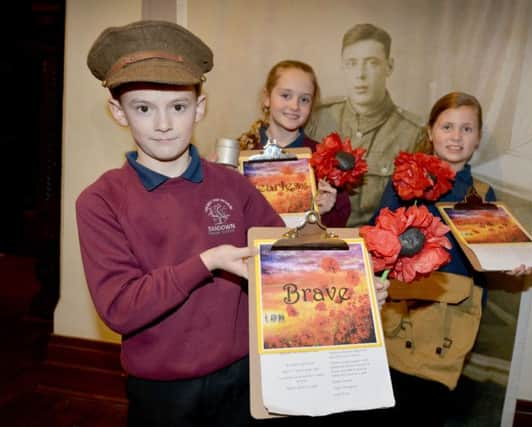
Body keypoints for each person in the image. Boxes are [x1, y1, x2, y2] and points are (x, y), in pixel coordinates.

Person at [77, 20, 285, 426]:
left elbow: (282, 257)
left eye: (178, 106)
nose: (163, 124)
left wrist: (352, 287)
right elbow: (119, 308)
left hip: (240, 378)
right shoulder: (100, 201)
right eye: (143, 108)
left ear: (200, 107)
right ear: (118, 112)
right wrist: (205, 262)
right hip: (161, 390)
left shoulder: (233, 185)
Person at [370, 91, 532, 424]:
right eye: (447, 126)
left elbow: (495, 256)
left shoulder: (482, 197)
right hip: (399, 316)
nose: (456, 136)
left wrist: (513, 265)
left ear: (478, 139)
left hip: (449, 325)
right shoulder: (404, 183)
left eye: (466, 129)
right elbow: (376, 238)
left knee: (428, 410)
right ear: (430, 132)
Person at [305, 23, 425, 227]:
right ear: (342, 66)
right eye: (352, 63)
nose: (360, 74)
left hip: (377, 251)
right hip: (318, 241)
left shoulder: (412, 134)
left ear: (389, 67)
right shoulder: (317, 118)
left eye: (372, 63)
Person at [237, 59, 350, 227]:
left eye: (304, 99)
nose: (295, 106)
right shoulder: (239, 151)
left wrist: (326, 211)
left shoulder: (325, 160)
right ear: (267, 98)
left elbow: (337, 229)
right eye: (286, 96)